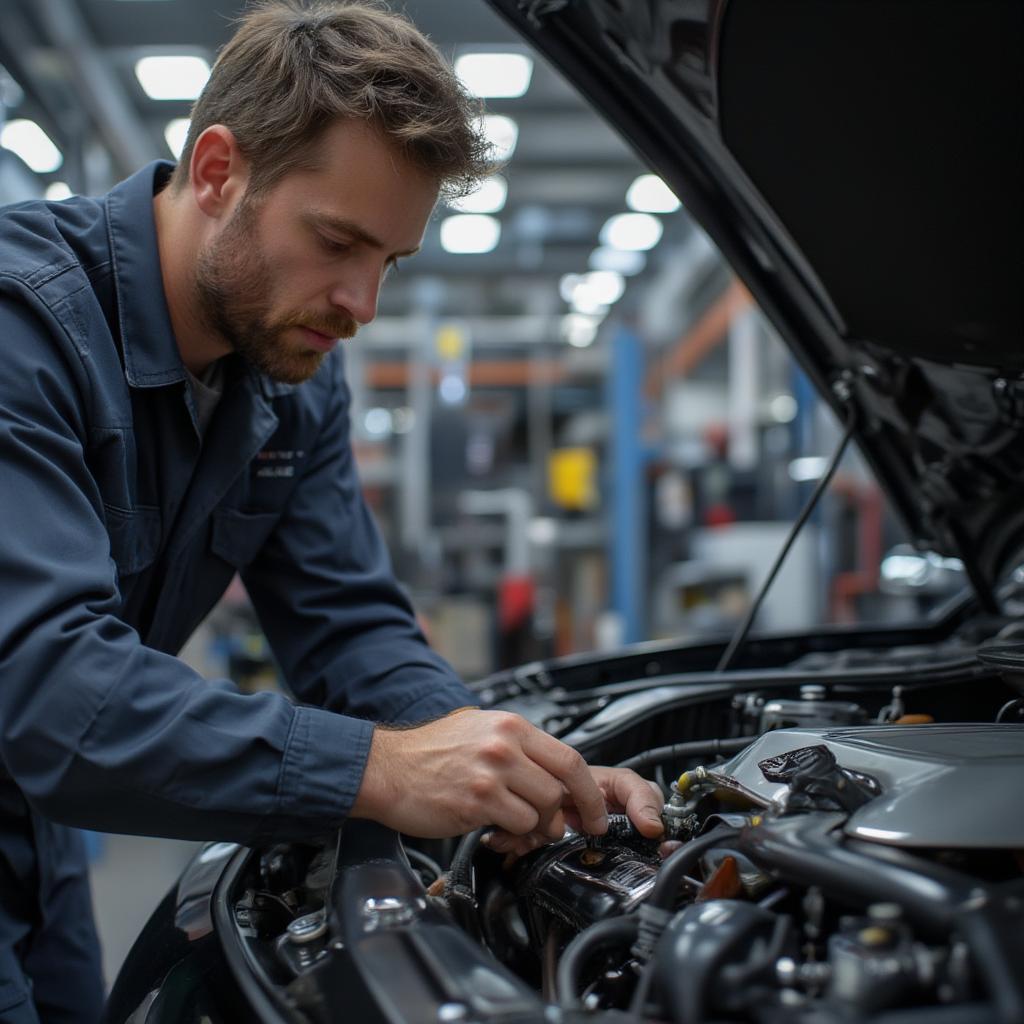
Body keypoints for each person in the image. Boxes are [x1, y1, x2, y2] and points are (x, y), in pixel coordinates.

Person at [0, 1, 665, 1020]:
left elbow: (348, 624)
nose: (362, 305)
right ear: (219, 170)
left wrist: (520, 771)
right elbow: (48, 691)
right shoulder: (24, 329)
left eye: (388, 262)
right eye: (338, 242)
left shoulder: (290, 375)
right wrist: (382, 768)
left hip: (30, 828)